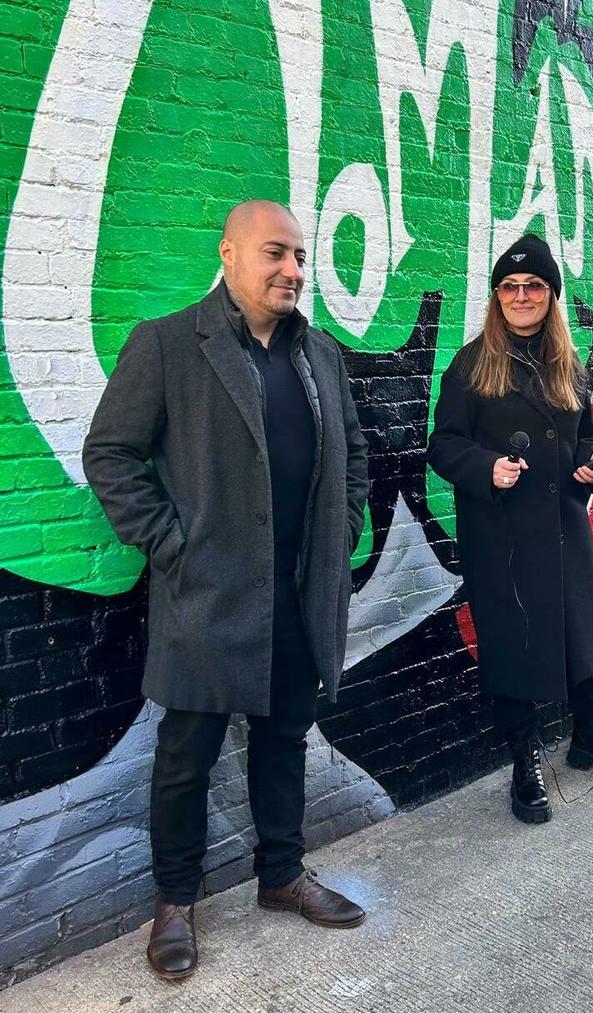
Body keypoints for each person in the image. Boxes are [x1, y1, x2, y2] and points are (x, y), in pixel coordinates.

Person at [82, 200, 369, 981]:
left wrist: (340, 535)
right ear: (231, 253)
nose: (294, 271)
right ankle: (175, 902)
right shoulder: (171, 344)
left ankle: (281, 874)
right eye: (276, 253)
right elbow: (109, 452)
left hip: (297, 597)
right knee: (186, 759)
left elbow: (353, 454)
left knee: (283, 743)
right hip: (206, 599)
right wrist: (173, 547)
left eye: (301, 257)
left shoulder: (322, 357)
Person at [427, 234, 593, 825]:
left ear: (551, 296)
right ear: (497, 297)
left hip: (564, 528)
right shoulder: (472, 365)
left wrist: (592, 460)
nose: (520, 296)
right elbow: (442, 445)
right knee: (514, 650)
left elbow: (588, 434)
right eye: (510, 287)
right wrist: (485, 468)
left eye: (533, 287)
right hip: (502, 539)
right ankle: (525, 763)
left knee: (584, 635)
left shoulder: (567, 365)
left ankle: (589, 736)